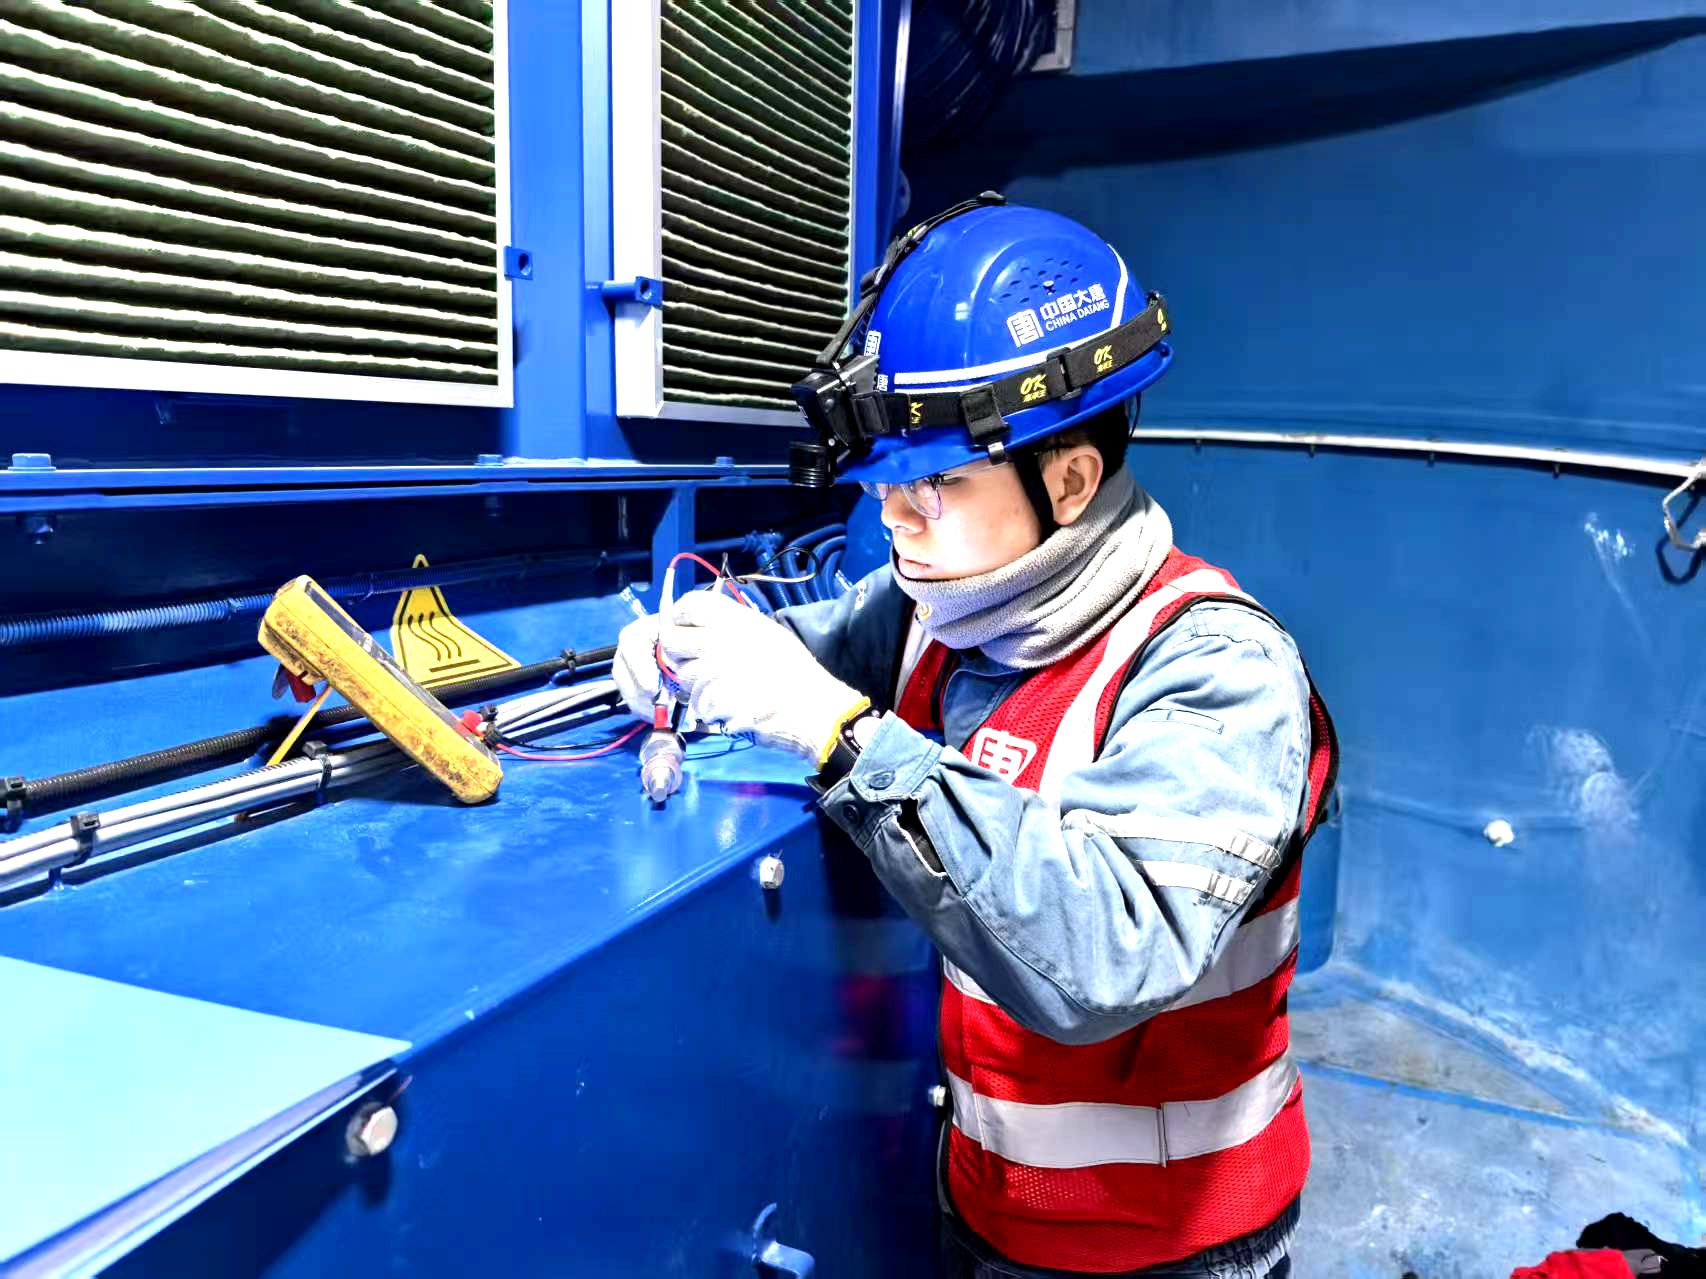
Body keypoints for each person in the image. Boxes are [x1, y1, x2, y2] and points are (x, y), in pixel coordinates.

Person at [615, 195, 1337, 1277]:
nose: (894, 521)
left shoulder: (1216, 668)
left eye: (937, 485)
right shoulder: (938, 606)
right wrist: (691, 646)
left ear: (1069, 481)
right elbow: (796, 650)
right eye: (886, 485)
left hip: (1167, 1250)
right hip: (983, 1204)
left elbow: (1106, 954)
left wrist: (838, 731)